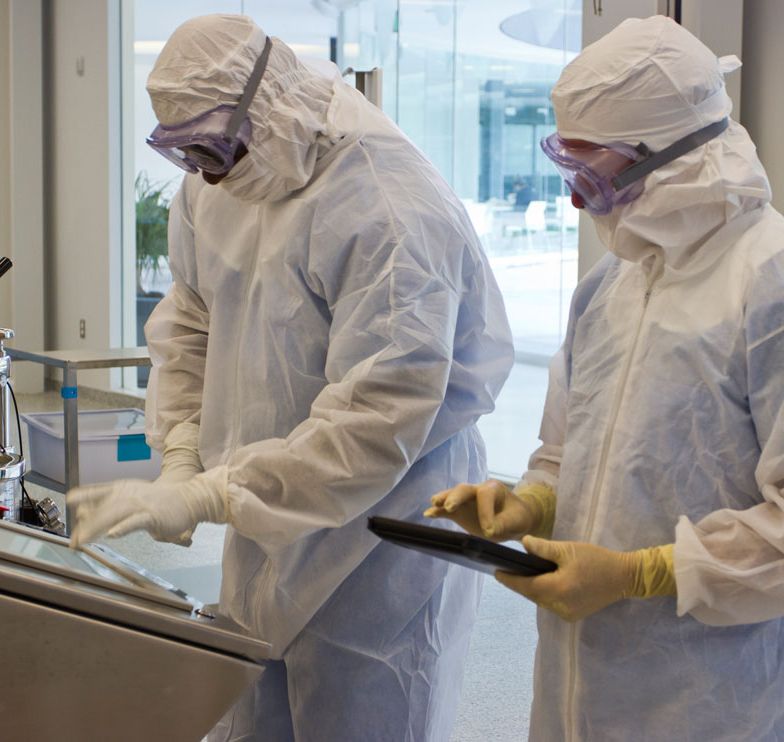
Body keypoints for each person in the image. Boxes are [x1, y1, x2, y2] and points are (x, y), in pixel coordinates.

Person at [67, 14, 514, 742]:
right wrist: (183, 449)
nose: (205, 171)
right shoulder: (218, 183)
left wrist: (215, 490)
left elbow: (378, 416)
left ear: (269, 103)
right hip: (266, 509)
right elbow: (189, 319)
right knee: (251, 713)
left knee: (364, 712)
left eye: (213, 147)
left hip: (384, 523)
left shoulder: (387, 203)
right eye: (185, 153)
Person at [426, 15, 784, 741]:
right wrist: (524, 506)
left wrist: (638, 573)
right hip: (584, 682)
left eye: (595, 171)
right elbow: (571, 452)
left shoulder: (782, 284)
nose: (578, 198)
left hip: (719, 697)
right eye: (568, 169)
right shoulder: (611, 284)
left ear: (677, 156)